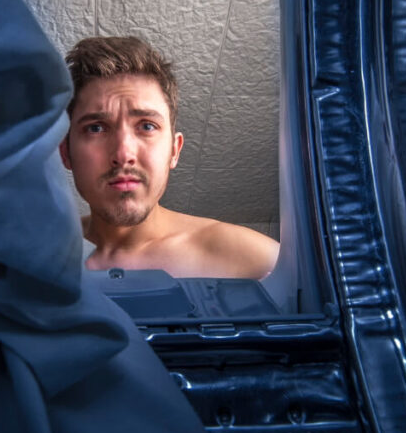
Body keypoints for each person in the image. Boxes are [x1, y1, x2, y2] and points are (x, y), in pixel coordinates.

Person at [59, 36, 280, 279]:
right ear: (66, 153)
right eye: (96, 128)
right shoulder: (34, 258)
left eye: (146, 126)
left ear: (174, 150)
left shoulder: (254, 259)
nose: (123, 155)